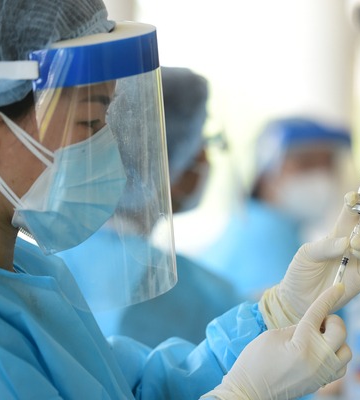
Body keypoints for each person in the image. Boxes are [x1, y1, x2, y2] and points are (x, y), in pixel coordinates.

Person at [0, 1, 360, 399]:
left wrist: (277, 315)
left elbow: (135, 388)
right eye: (90, 122)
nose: (111, 146)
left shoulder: (29, 271)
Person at [57, 66, 242, 346]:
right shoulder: (187, 294)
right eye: (203, 142)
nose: (206, 159)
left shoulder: (48, 261)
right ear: (169, 162)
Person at [199, 116, 355, 301]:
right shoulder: (265, 236)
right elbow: (290, 312)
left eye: (328, 164)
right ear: (267, 172)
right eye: (306, 163)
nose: (321, 176)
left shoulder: (263, 225)